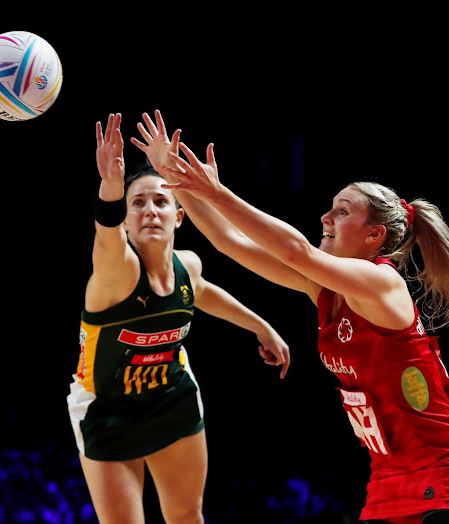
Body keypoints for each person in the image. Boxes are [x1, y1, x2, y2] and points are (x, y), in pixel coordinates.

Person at [131, 110, 449, 524]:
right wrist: (177, 179)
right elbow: (228, 240)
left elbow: (297, 251)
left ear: (374, 236)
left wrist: (218, 193)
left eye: (341, 212)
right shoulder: (325, 291)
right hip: (388, 478)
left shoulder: (383, 285)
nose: (325, 217)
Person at [66, 113, 290, 524]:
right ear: (128, 221)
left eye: (160, 201)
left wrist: (262, 326)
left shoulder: (189, 265)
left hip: (171, 396)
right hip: (106, 408)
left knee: (188, 515)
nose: (149, 210)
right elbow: (106, 234)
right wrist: (111, 187)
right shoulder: (118, 272)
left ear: (179, 215)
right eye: (138, 203)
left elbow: (203, 294)